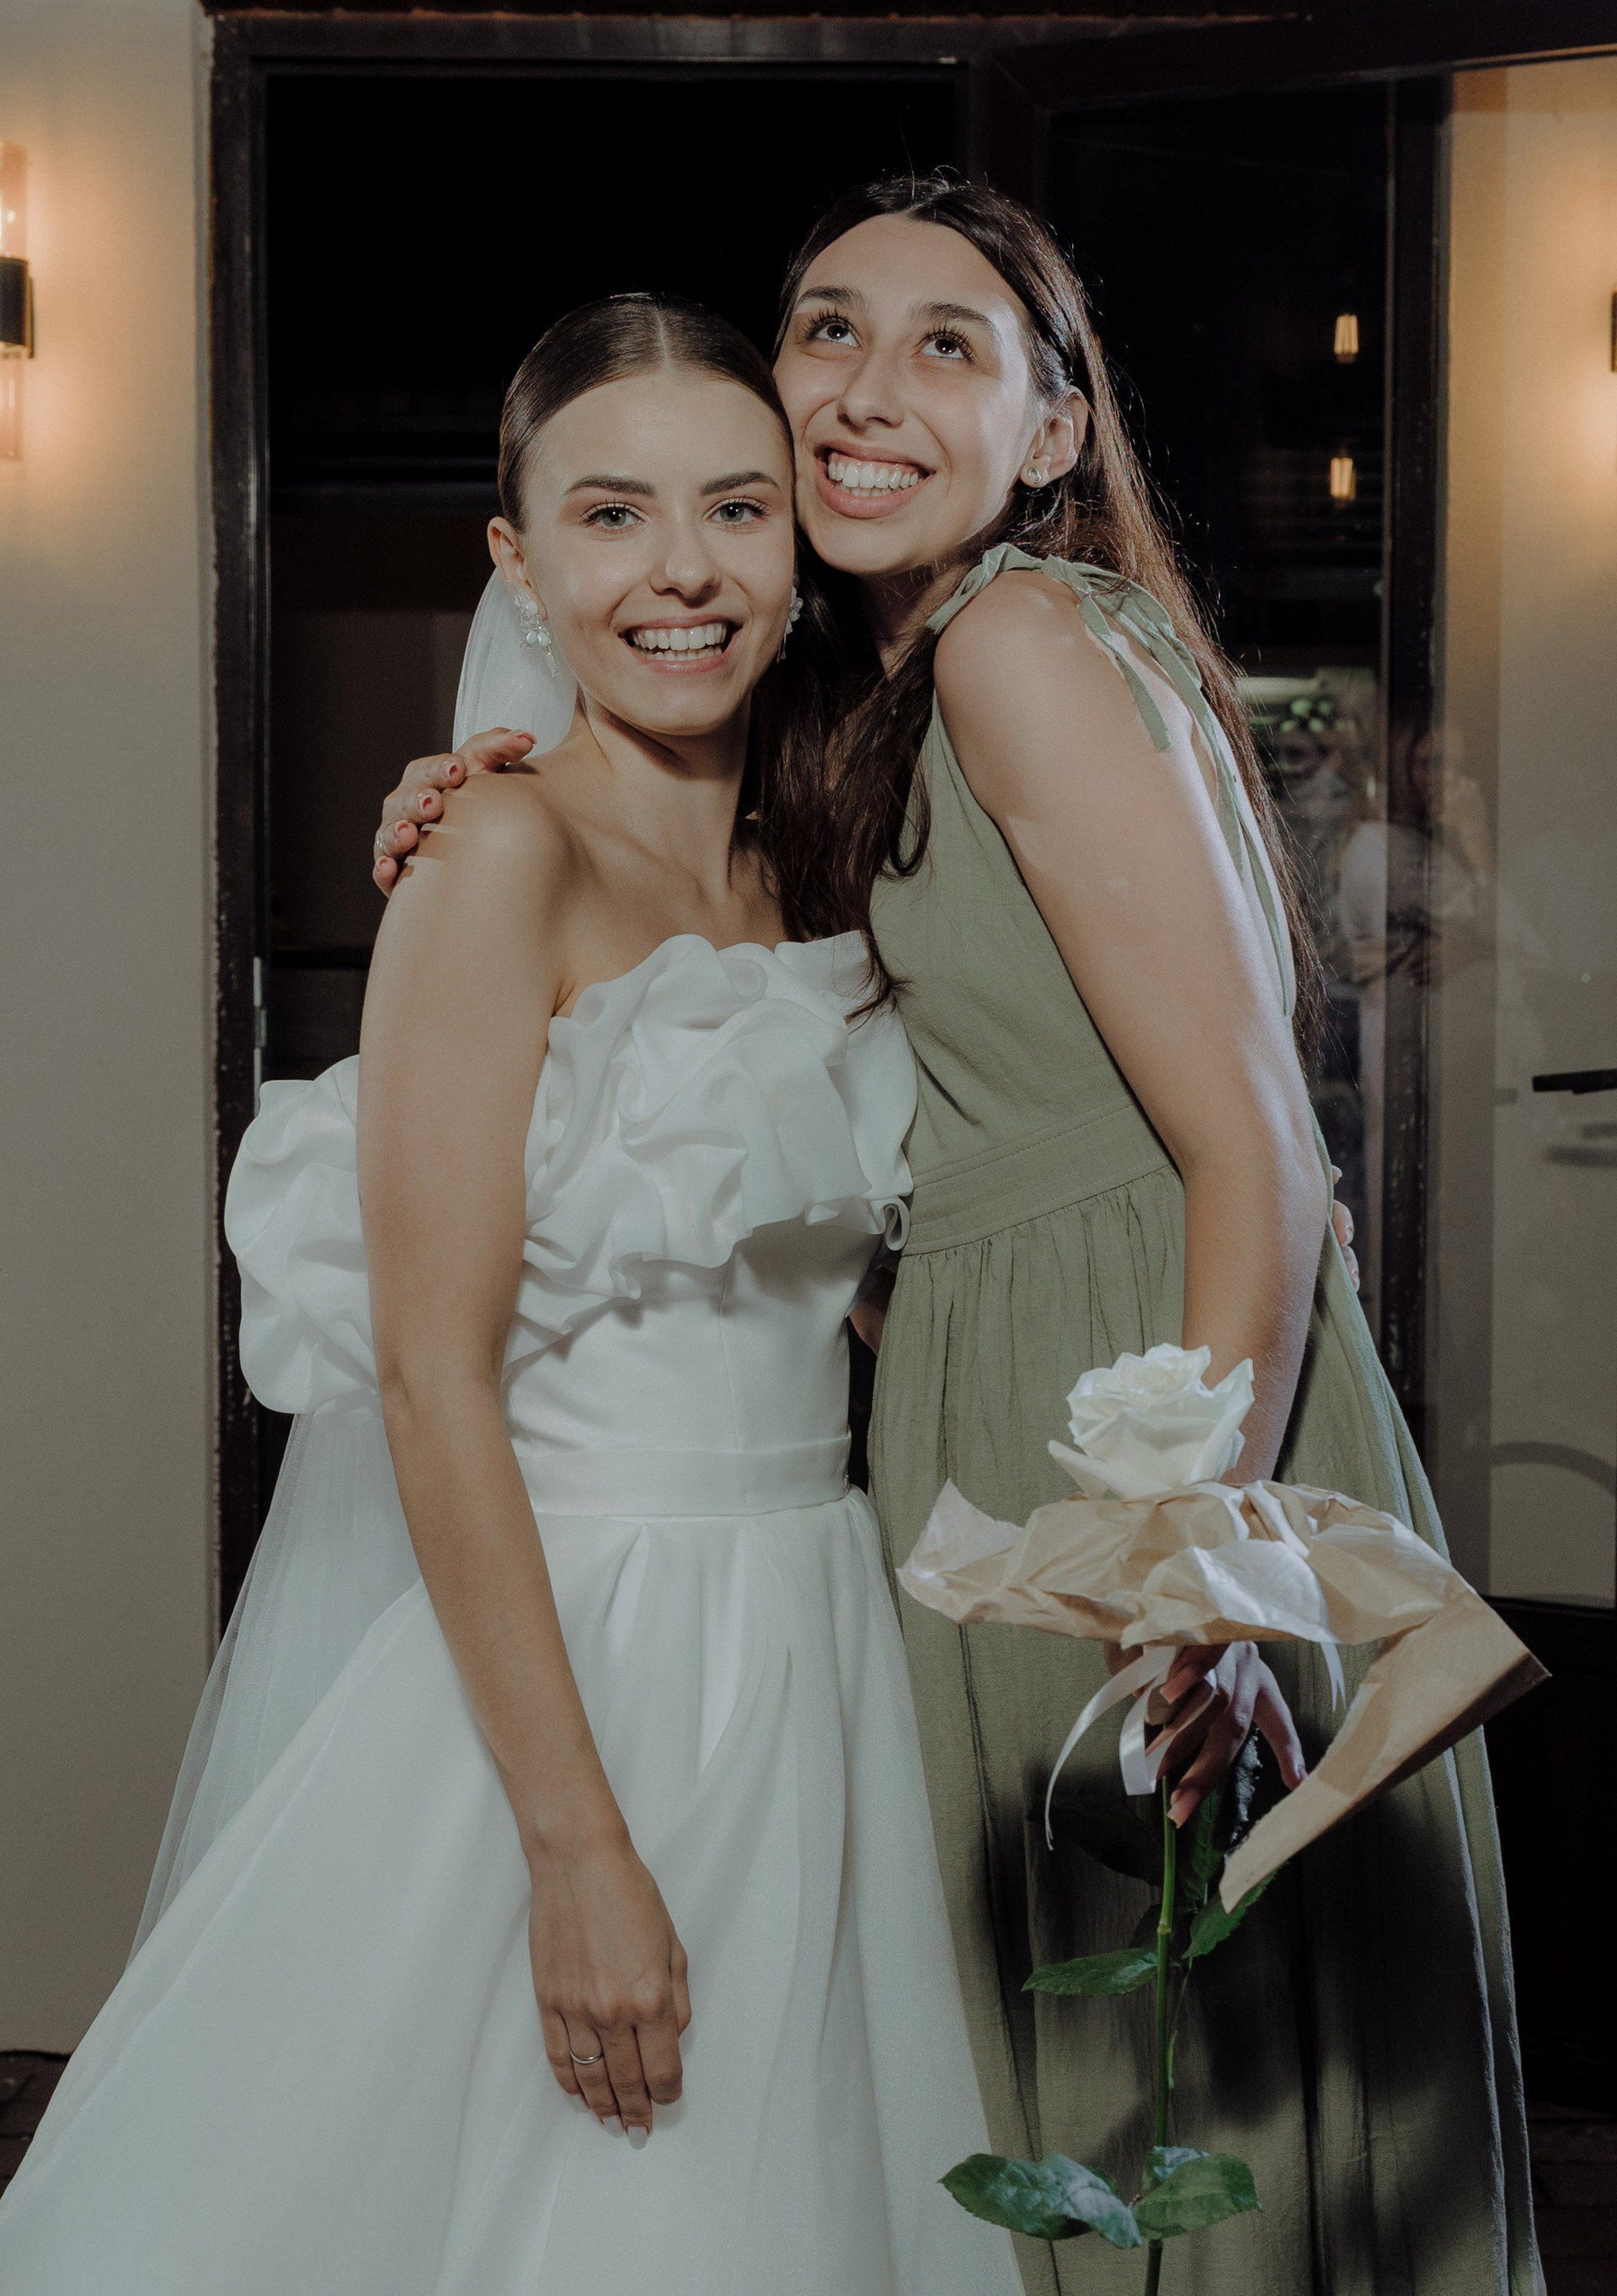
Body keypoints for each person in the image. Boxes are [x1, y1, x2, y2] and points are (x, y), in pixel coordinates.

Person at [377, 178, 1540, 2295]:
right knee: (1110, 2115)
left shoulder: (1013, 640)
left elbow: (1263, 1148)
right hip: (1034, 1406)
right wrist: (490, 795)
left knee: (1162, 2117)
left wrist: (1191, 1565)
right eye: (830, 329)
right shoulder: (888, 700)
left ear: (1053, 428)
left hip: (1142, 1414)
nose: (865, 385)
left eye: (948, 344)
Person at [0, 295, 1022, 2296]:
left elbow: (814, 1276)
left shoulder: (818, 859)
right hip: (590, 1658)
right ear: (520, 562)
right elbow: (427, 1372)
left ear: (799, 541)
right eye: (611, 514)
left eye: (736, 508)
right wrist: (573, 1843)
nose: (681, 570)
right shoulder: (495, 856)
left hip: (814, 1634)